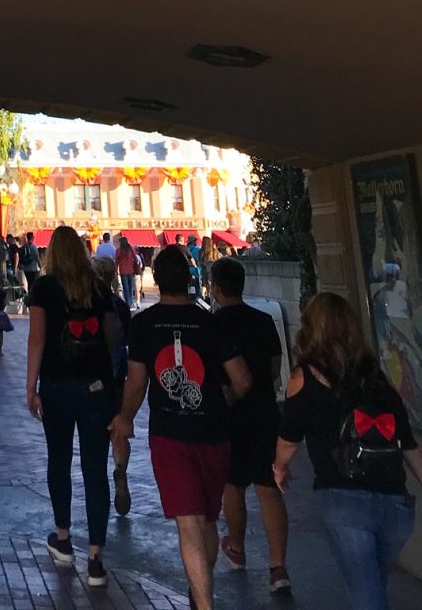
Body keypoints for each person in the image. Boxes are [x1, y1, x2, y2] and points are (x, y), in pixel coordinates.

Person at [110, 245, 251, 610]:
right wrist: (224, 399)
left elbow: (137, 382)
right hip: (214, 433)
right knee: (206, 519)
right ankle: (199, 592)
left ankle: (202, 602)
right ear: (190, 279)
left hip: (169, 435)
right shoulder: (212, 321)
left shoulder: (143, 325)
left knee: (188, 524)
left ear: (156, 278)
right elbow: (243, 380)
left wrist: (125, 417)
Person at [276, 291, 422, 610]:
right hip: (395, 506)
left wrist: (280, 468)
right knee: (372, 585)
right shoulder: (375, 377)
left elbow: (288, 438)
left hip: (344, 501)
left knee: (367, 595)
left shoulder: (303, 377)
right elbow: (408, 443)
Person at [26, 225, 119, 588]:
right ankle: (96, 557)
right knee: (95, 469)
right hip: (95, 388)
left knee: (59, 460)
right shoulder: (98, 287)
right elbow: (113, 337)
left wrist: (30, 386)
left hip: (57, 386)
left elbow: (37, 339)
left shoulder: (44, 288)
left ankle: (63, 538)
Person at [209, 257, 290, 593]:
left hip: (230, 415)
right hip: (265, 412)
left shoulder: (213, 325)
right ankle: (278, 568)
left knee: (233, 485)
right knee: (269, 489)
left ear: (216, 288)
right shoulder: (262, 320)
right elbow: (273, 370)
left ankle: (237, 548)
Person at [93, 255, 133, 519]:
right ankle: (120, 469)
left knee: (95, 434)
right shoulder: (120, 305)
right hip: (118, 375)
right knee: (119, 428)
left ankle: (99, 489)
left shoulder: (90, 305)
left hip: (94, 377)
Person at [115, 236, 138, 311]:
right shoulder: (130, 249)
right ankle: (130, 302)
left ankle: (128, 304)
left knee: (125, 288)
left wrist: (115, 270)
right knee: (131, 287)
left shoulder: (119, 250)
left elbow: (116, 261)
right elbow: (136, 258)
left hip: (123, 271)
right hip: (130, 270)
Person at [18, 231, 41, 303]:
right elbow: (37, 257)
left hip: (26, 268)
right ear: (32, 238)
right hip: (33, 268)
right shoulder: (34, 247)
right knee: (33, 283)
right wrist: (40, 265)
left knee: (28, 282)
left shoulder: (24, 247)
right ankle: (32, 297)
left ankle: (29, 296)